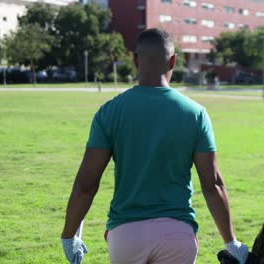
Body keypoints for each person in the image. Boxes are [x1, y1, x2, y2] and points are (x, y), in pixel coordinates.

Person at [61, 28, 249, 264]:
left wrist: (69, 236)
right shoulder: (196, 114)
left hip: (126, 235)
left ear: (135, 59)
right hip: (178, 235)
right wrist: (231, 242)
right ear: (173, 60)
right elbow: (212, 185)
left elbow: (86, 186)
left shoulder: (109, 111)